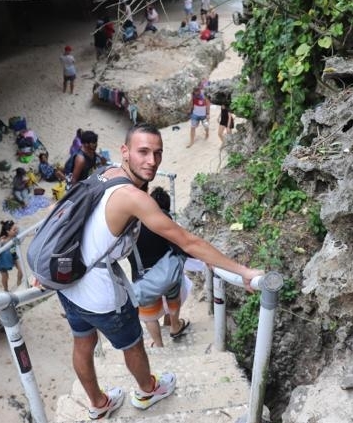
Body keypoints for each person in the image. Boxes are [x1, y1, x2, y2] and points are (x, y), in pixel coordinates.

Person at [56, 123, 264, 420]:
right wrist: (241, 270)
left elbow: (68, 214)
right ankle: (147, 391)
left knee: (83, 342)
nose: (152, 161)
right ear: (125, 151)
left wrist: (49, 265)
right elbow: (187, 241)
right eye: (143, 152)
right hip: (99, 292)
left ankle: (98, 403)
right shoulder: (134, 197)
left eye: (158, 153)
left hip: (69, 281)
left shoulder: (104, 174)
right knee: (133, 345)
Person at [127, 187, 190, 348]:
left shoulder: (131, 224)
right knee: (173, 299)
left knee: (149, 314)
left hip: (142, 275)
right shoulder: (165, 219)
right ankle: (175, 326)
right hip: (167, 272)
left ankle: (159, 345)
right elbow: (177, 244)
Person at [0, 220, 23, 292]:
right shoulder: (3, 239)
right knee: (5, 276)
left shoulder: (16, 235)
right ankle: (6, 290)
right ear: (8, 231)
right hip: (1, 259)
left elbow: (26, 234)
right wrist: (0, 242)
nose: (16, 231)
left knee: (21, 271)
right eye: (14, 230)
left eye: (16, 228)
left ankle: (19, 285)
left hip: (12, 254)